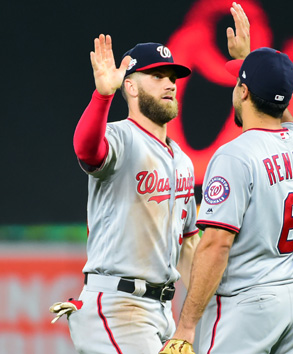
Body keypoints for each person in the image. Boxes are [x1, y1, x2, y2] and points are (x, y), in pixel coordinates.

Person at [51, 4, 251, 353]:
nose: (169, 84)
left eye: (172, 77)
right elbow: (86, 151)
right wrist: (102, 96)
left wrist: (211, 305)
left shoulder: (183, 161)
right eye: (156, 76)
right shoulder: (120, 137)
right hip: (115, 306)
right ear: (129, 86)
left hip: (161, 310)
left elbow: (188, 245)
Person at [164, 47, 293, 353]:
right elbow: (281, 111)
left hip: (247, 305)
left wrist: (186, 326)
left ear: (243, 91)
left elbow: (216, 245)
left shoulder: (235, 155)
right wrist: (253, 67)